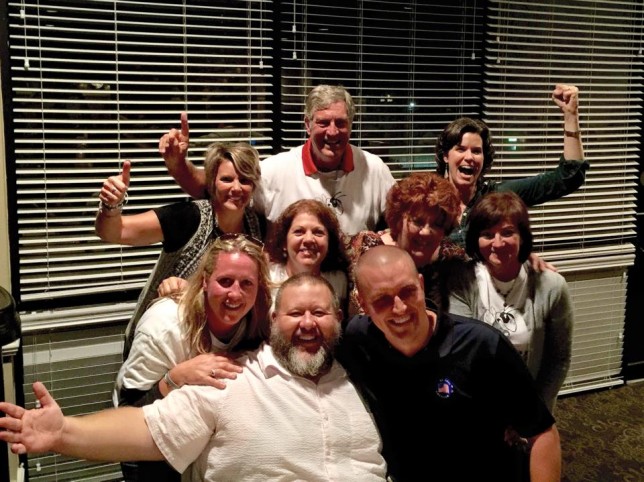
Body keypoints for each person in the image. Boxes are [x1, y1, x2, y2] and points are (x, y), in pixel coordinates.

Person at [0, 274, 387, 481]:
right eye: (295, 313)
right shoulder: (232, 377)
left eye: (319, 313)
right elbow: (148, 429)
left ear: (339, 319)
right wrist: (63, 432)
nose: (307, 324)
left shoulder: (361, 382)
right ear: (272, 322)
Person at [339, 245, 561, 482]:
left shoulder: (482, 345)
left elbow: (543, 433)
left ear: (421, 286)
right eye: (382, 300)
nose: (400, 308)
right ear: (362, 303)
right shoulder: (357, 339)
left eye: (407, 292)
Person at [115, 234, 272, 481]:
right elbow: (125, 416)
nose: (235, 294)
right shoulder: (164, 325)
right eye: (225, 281)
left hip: (210, 442)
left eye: (246, 283)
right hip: (151, 445)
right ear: (205, 281)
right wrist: (175, 378)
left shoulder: (260, 320)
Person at [96, 142, 265, 357]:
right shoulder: (189, 217)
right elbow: (114, 232)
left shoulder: (257, 227)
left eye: (245, 180)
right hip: (164, 340)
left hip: (224, 348)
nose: (236, 188)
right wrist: (111, 207)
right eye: (227, 179)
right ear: (212, 182)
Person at [160, 85, 396, 235]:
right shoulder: (276, 170)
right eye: (323, 123)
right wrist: (179, 165)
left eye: (341, 123)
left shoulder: (374, 168)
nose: (332, 132)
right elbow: (214, 189)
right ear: (307, 124)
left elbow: (403, 219)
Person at [444, 191, 573, 412]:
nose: (498, 243)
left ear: (522, 236)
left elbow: (558, 361)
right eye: (487, 234)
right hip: (477, 408)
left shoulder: (552, 286)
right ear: (476, 238)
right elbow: (464, 355)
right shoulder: (460, 282)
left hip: (531, 408)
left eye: (507, 232)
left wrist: (533, 413)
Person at [435, 84, 587, 246]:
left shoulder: (497, 197)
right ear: (446, 156)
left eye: (477, 151)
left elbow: (568, 178)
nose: (469, 157)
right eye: (461, 149)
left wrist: (571, 115)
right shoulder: (427, 199)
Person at [347, 172, 465, 314]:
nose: (426, 232)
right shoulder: (366, 246)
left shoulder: (452, 257)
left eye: (437, 224)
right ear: (398, 219)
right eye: (418, 221)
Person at [265, 199, 350, 312]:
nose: (309, 239)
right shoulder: (267, 277)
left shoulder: (338, 281)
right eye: (299, 231)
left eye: (318, 232)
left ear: (329, 242)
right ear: (284, 242)